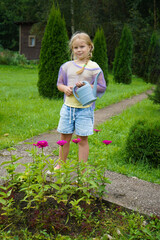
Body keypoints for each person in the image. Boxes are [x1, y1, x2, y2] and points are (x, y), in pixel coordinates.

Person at [56, 31, 106, 169]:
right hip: (68, 108)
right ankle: (60, 165)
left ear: (90, 47)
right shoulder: (66, 66)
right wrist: (65, 88)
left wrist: (87, 85)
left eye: (82, 46)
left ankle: (81, 170)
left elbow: (101, 87)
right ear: (72, 49)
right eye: (76, 47)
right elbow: (59, 84)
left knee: (82, 139)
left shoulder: (94, 67)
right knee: (64, 138)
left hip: (84, 110)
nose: (79, 50)